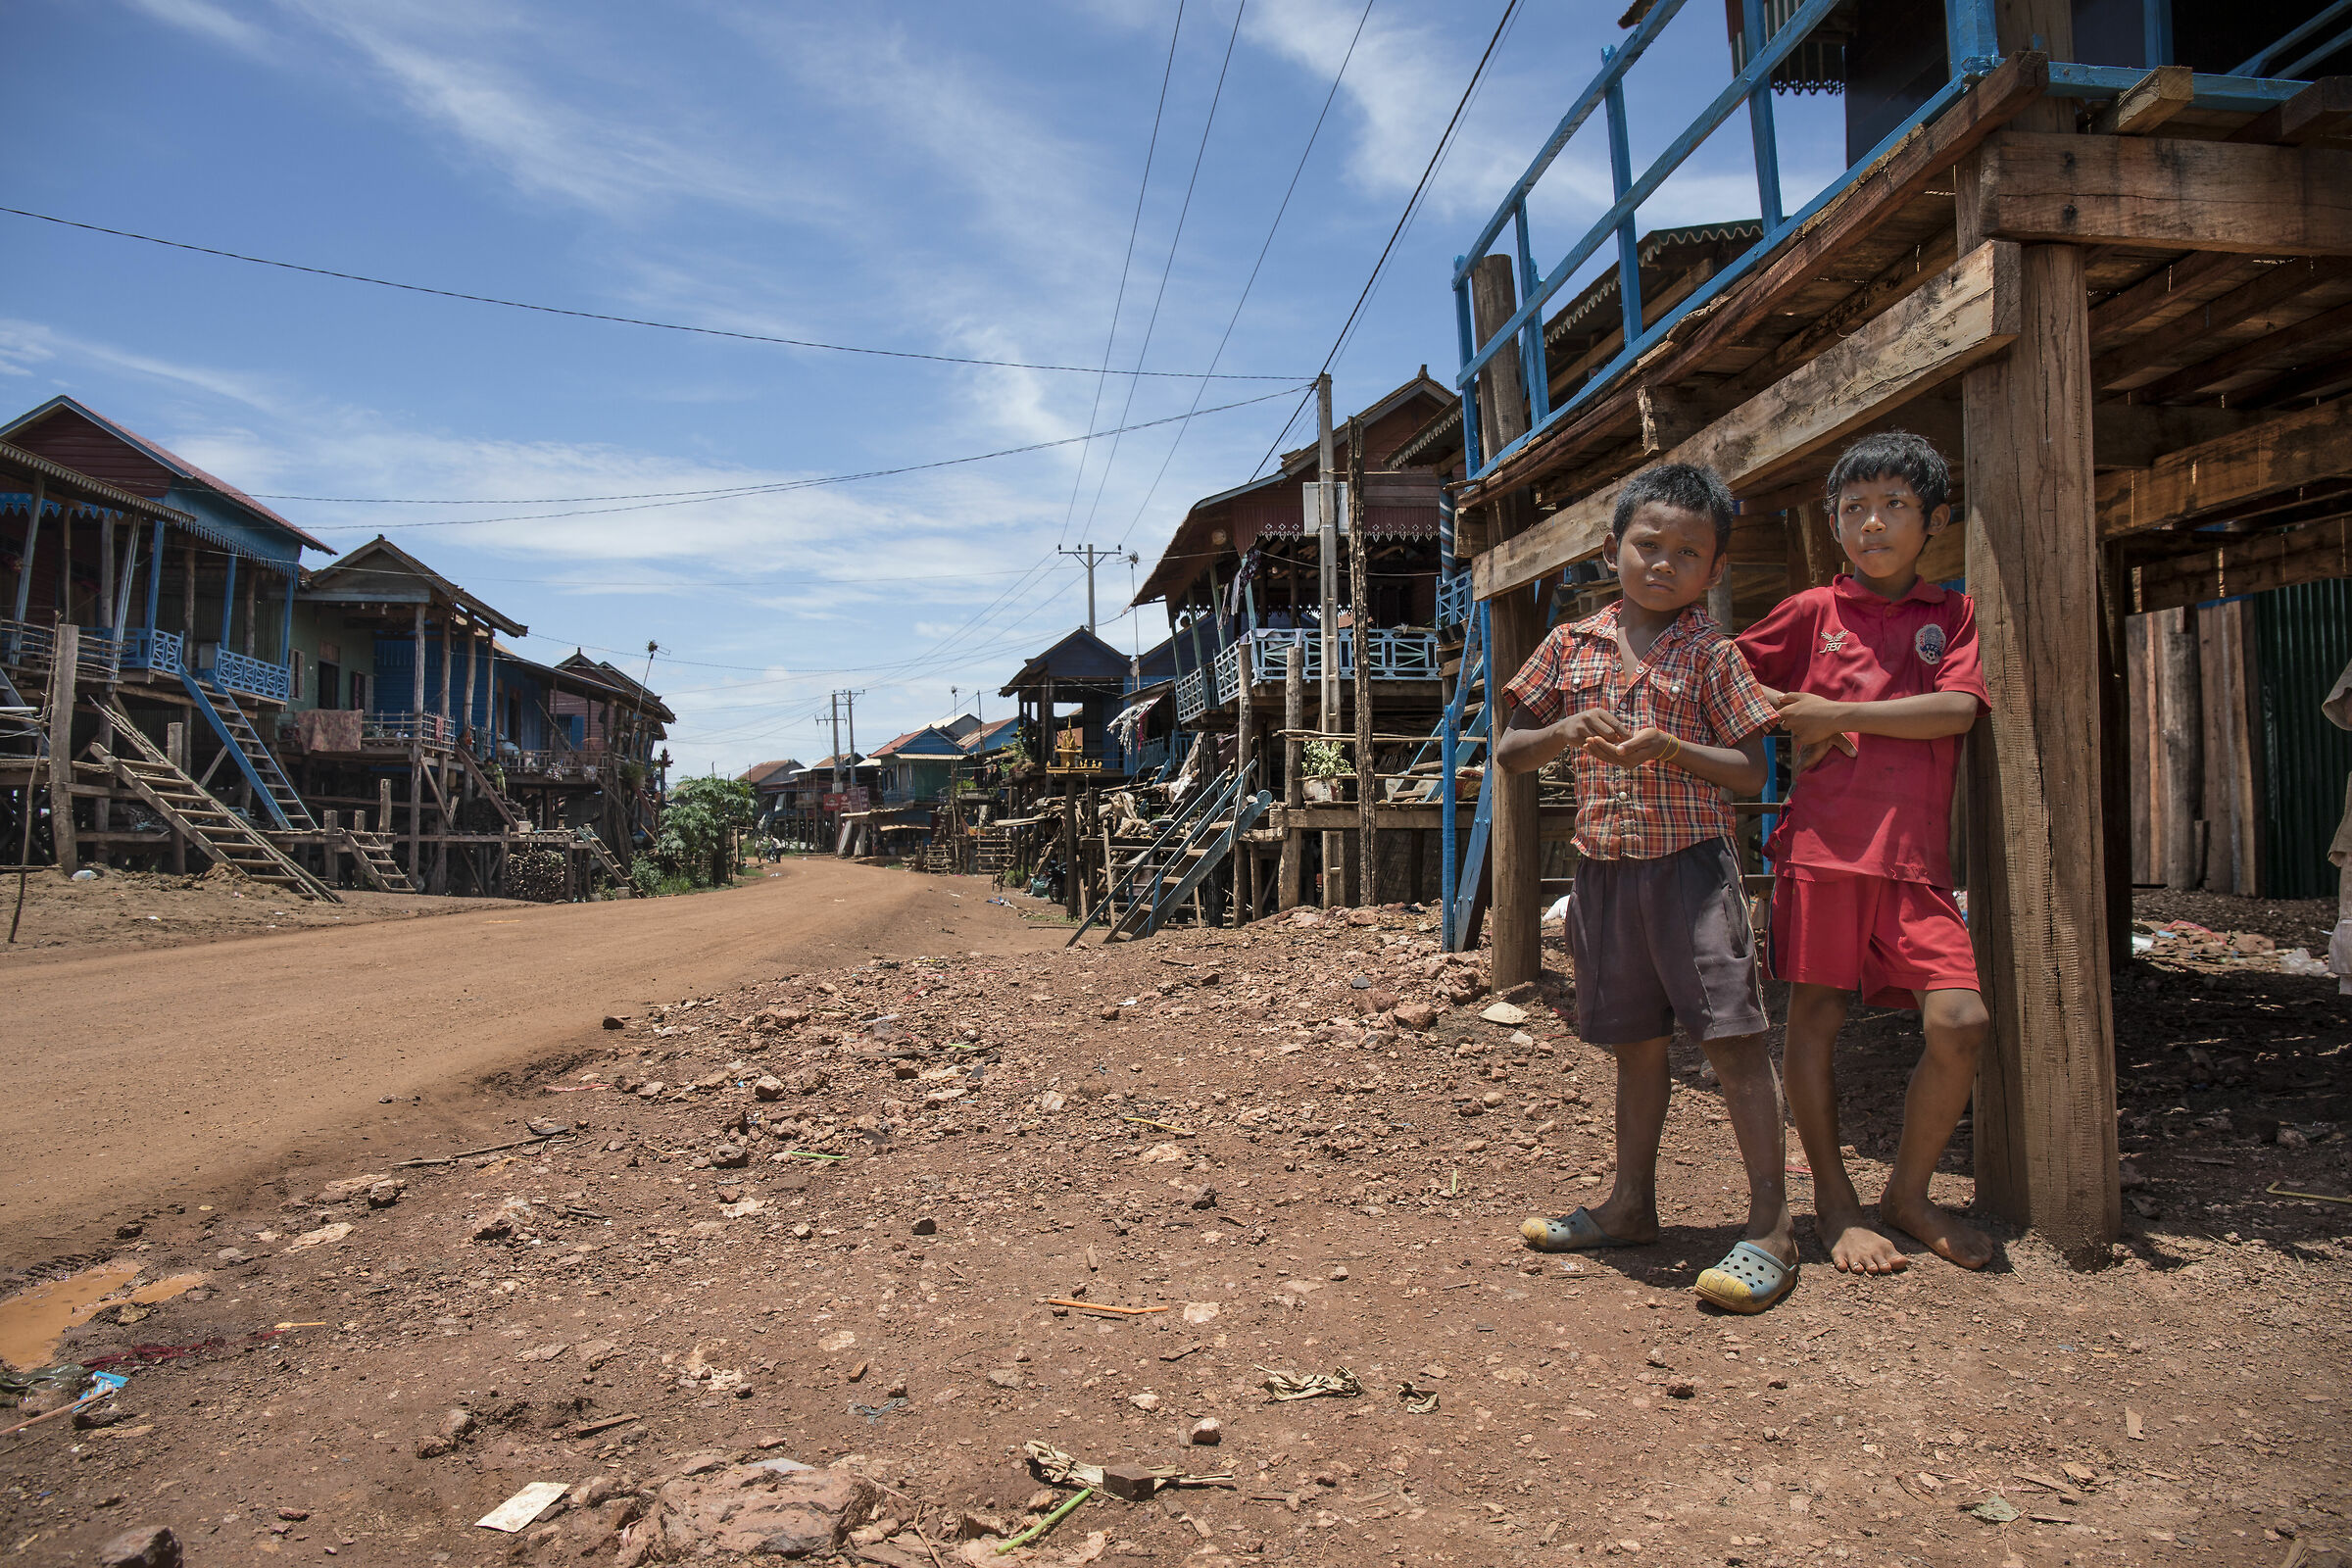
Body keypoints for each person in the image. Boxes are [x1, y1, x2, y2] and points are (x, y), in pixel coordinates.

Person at [1497, 462, 1798, 1314]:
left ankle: (1774, 1227)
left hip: (1691, 873)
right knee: (1635, 1045)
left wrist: (1670, 747)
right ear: (1611, 550)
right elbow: (1512, 753)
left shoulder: (1713, 654)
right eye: (1648, 545)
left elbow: (1750, 770)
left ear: (1716, 569)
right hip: (1604, 873)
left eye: (1688, 553)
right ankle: (1631, 1206)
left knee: (1734, 1041)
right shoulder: (1570, 646)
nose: (1664, 563)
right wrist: (1563, 728)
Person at [1735, 430, 1993, 1273]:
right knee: (1814, 1020)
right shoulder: (1813, 611)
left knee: (1961, 1021)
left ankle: (1908, 1195)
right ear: (1834, 522)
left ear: (1935, 522)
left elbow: (1956, 710)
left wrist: (1838, 714)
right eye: (1853, 508)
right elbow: (1722, 674)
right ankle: (1836, 1201)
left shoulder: (1952, 615)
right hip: (1823, 850)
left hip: (1916, 864)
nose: (1871, 523)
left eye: (1894, 506)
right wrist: (1787, 710)